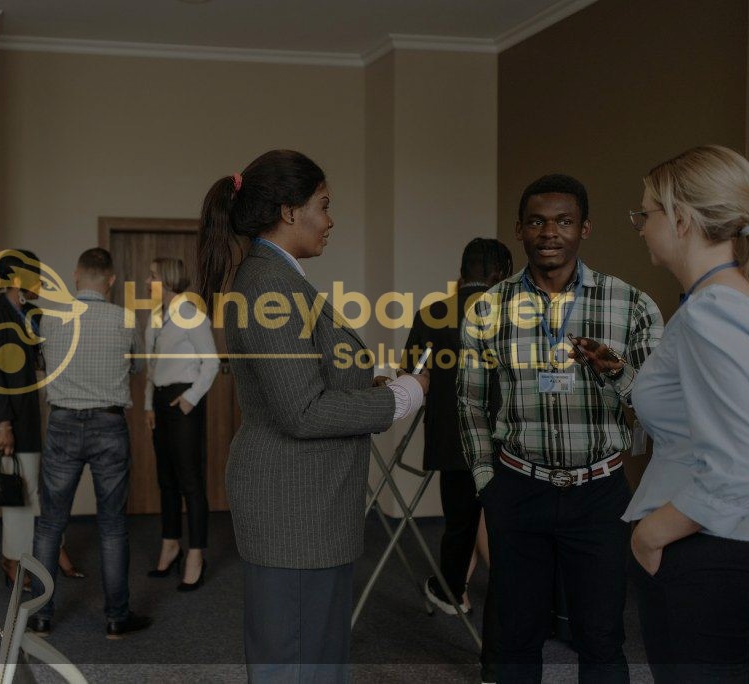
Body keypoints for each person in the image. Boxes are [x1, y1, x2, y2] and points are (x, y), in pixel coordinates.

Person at [196, 149, 429, 681]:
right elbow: (301, 411)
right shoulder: (267, 285)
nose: (330, 220)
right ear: (289, 211)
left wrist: (365, 384)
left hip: (307, 503)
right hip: (293, 505)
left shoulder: (279, 279)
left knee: (313, 654)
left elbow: (303, 379)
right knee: (297, 659)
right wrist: (405, 394)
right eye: (323, 206)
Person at [458, 174, 664, 683]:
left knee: (600, 637)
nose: (550, 232)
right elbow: (471, 402)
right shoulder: (489, 309)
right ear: (519, 230)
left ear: (585, 228)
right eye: (537, 221)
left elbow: (662, 410)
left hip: (598, 494)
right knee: (515, 637)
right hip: (518, 490)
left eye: (564, 221)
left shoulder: (631, 305)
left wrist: (616, 372)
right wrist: (489, 483)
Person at [590, 145, 749, 683]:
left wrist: (652, 535)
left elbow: (747, 457)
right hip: (730, 540)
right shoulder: (734, 299)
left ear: (682, 220)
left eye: (644, 214)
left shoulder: (714, 310)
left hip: (708, 547)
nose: (640, 227)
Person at [27, 247, 151, 639]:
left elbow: (43, 363)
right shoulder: (126, 318)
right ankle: (116, 619)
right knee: (113, 526)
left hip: (63, 423)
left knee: (49, 525)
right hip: (109, 425)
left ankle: (41, 616)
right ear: (111, 280)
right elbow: (137, 365)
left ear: (76, 276)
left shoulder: (51, 318)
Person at [403, 237, 512, 684]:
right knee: (508, 533)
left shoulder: (432, 313)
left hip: (452, 442)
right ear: (500, 274)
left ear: (460, 270)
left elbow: (413, 374)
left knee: (460, 524)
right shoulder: (513, 312)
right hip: (509, 440)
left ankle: (451, 589)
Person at [143, 257, 220, 590]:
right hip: (160, 401)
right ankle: (171, 544)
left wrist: (190, 398)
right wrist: (148, 405)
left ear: (168, 280)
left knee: (190, 480)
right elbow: (151, 366)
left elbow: (212, 362)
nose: (148, 281)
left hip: (184, 401)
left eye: (153, 275)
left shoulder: (191, 315)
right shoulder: (155, 317)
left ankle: (196, 554)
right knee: (166, 479)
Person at [0, 249, 43, 589]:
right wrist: (4, 424)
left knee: (31, 488)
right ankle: (13, 560)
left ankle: (24, 556)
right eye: (36, 275)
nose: (42, 282)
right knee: (20, 492)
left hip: (31, 415)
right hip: (10, 420)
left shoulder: (30, 314)